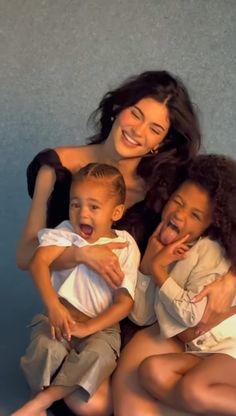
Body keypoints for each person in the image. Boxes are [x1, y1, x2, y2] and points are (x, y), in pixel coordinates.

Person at [16, 70, 236, 415]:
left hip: (139, 315)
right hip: (76, 306)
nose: (138, 131)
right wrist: (79, 254)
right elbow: (26, 255)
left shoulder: (165, 180)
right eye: (136, 113)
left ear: (160, 143)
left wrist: (231, 279)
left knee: (116, 400)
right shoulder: (56, 167)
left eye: (155, 129)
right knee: (92, 404)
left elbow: (225, 212)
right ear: (119, 108)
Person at [13, 163, 140, 416]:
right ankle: (37, 392)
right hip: (62, 315)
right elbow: (38, 262)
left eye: (94, 206)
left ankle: (42, 401)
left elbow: (124, 303)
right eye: (75, 204)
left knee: (98, 356)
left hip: (101, 326)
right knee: (46, 348)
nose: (83, 213)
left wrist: (90, 328)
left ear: (116, 212)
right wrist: (53, 305)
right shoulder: (66, 233)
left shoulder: (125, 245)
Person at [113, 154, 236, 416]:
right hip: (205, 349)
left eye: (195, 215)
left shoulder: (208, 252)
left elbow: (191, 319)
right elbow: (142, 316)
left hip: (228, 343)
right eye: (177, 202)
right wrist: (148, 263)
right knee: (152, 371)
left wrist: (159, 271)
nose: (180, 215)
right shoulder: (161, 248)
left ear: (208, 225)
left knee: (194, 390)